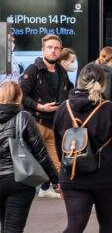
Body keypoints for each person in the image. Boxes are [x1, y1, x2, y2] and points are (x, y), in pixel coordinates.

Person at [53, 64, 112, 233]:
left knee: (75, 225)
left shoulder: (63, 109)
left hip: (72, 175)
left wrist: (64, 168)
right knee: (107, 224)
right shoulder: (110, 109)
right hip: (106, 177)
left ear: (79, 82)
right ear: (103, 84)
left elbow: (59, 145)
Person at [0, 81, 59, 232]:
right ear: (19, 97)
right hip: (19, 179)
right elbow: (40, 152)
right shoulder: (24, 117)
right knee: (13, 228)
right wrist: (55, 180)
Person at [19, 34, 73, 199]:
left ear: (60, 51)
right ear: (43, 50)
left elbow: (70, 93)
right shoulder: (33, 70)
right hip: (37, 122)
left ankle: (50, 188)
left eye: (56, 48)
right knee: (34, 161)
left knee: (56, 162)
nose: (53, 51)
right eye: (49, 47)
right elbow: (21, 95)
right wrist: (40, 106)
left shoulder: (61, 71)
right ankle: (26, 193)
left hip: (55, 123)